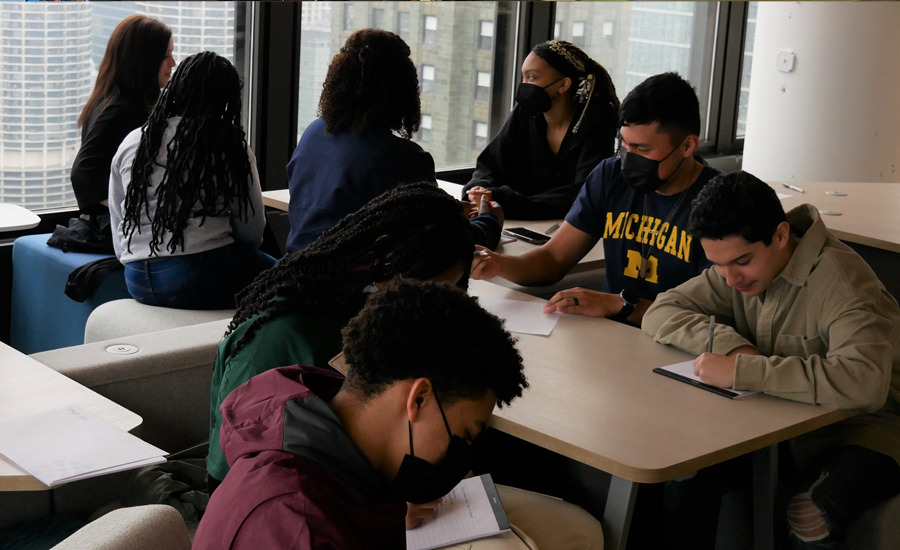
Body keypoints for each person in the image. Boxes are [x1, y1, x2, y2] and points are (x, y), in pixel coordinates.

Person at [642, 171, 900, 549]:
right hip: (776, 421)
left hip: (868, 430)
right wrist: (735, 350)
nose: (730, 280)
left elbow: (864, 384)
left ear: (780, 236)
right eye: (718, 264)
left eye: (741, 262)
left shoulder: (843, 282)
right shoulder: (737, 269)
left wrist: (745, 371)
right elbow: (662, 310)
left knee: (810, 516)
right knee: (684, 474)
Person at [206, 182, 475, 489]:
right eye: (419, 288)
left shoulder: (384, 315)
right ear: (384, 254)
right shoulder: (278, 337)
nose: (426, 308)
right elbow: (230, 480)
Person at [472, 72, 721, 325]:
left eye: (642, 149)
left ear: (687, 146)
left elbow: (712, 314)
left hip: (681, 344)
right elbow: (553, 259)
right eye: (624, 144)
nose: (628, 157)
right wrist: (499, 264)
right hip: (611, 332)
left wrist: (621, 305)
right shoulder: (609, 176)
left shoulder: (720, 202)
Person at [284, 28, 501, 254]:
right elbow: (443, 246)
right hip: (356, 286)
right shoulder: (403, 159)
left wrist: (447, 211)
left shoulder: (314, 134)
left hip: (293, 277)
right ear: (403, 89)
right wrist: (489, 220)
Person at [109, 51, 274, 310]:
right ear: (227, 99)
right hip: (196, 274)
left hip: (136, 278)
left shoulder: (134, 141)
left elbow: (119, 217)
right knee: (293, 280)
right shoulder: (226, 143)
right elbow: (251, 224)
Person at [463, 40, 619, 220]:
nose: (524, 85)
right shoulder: (525, 112)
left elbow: (583, 191)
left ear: (563, 85)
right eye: (523, 77)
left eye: (532, 77)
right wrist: (479, 191)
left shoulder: (597, 118)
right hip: (518, 223)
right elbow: (490, 163)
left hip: (568, 228)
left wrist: (507, 201)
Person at [71, 15, 174, 216]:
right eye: (165, 55)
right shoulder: (123, 109)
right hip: (122, 231)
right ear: (144, 59)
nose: (173, 62)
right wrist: (129, 212)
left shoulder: (112, 99)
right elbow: (83, 173)